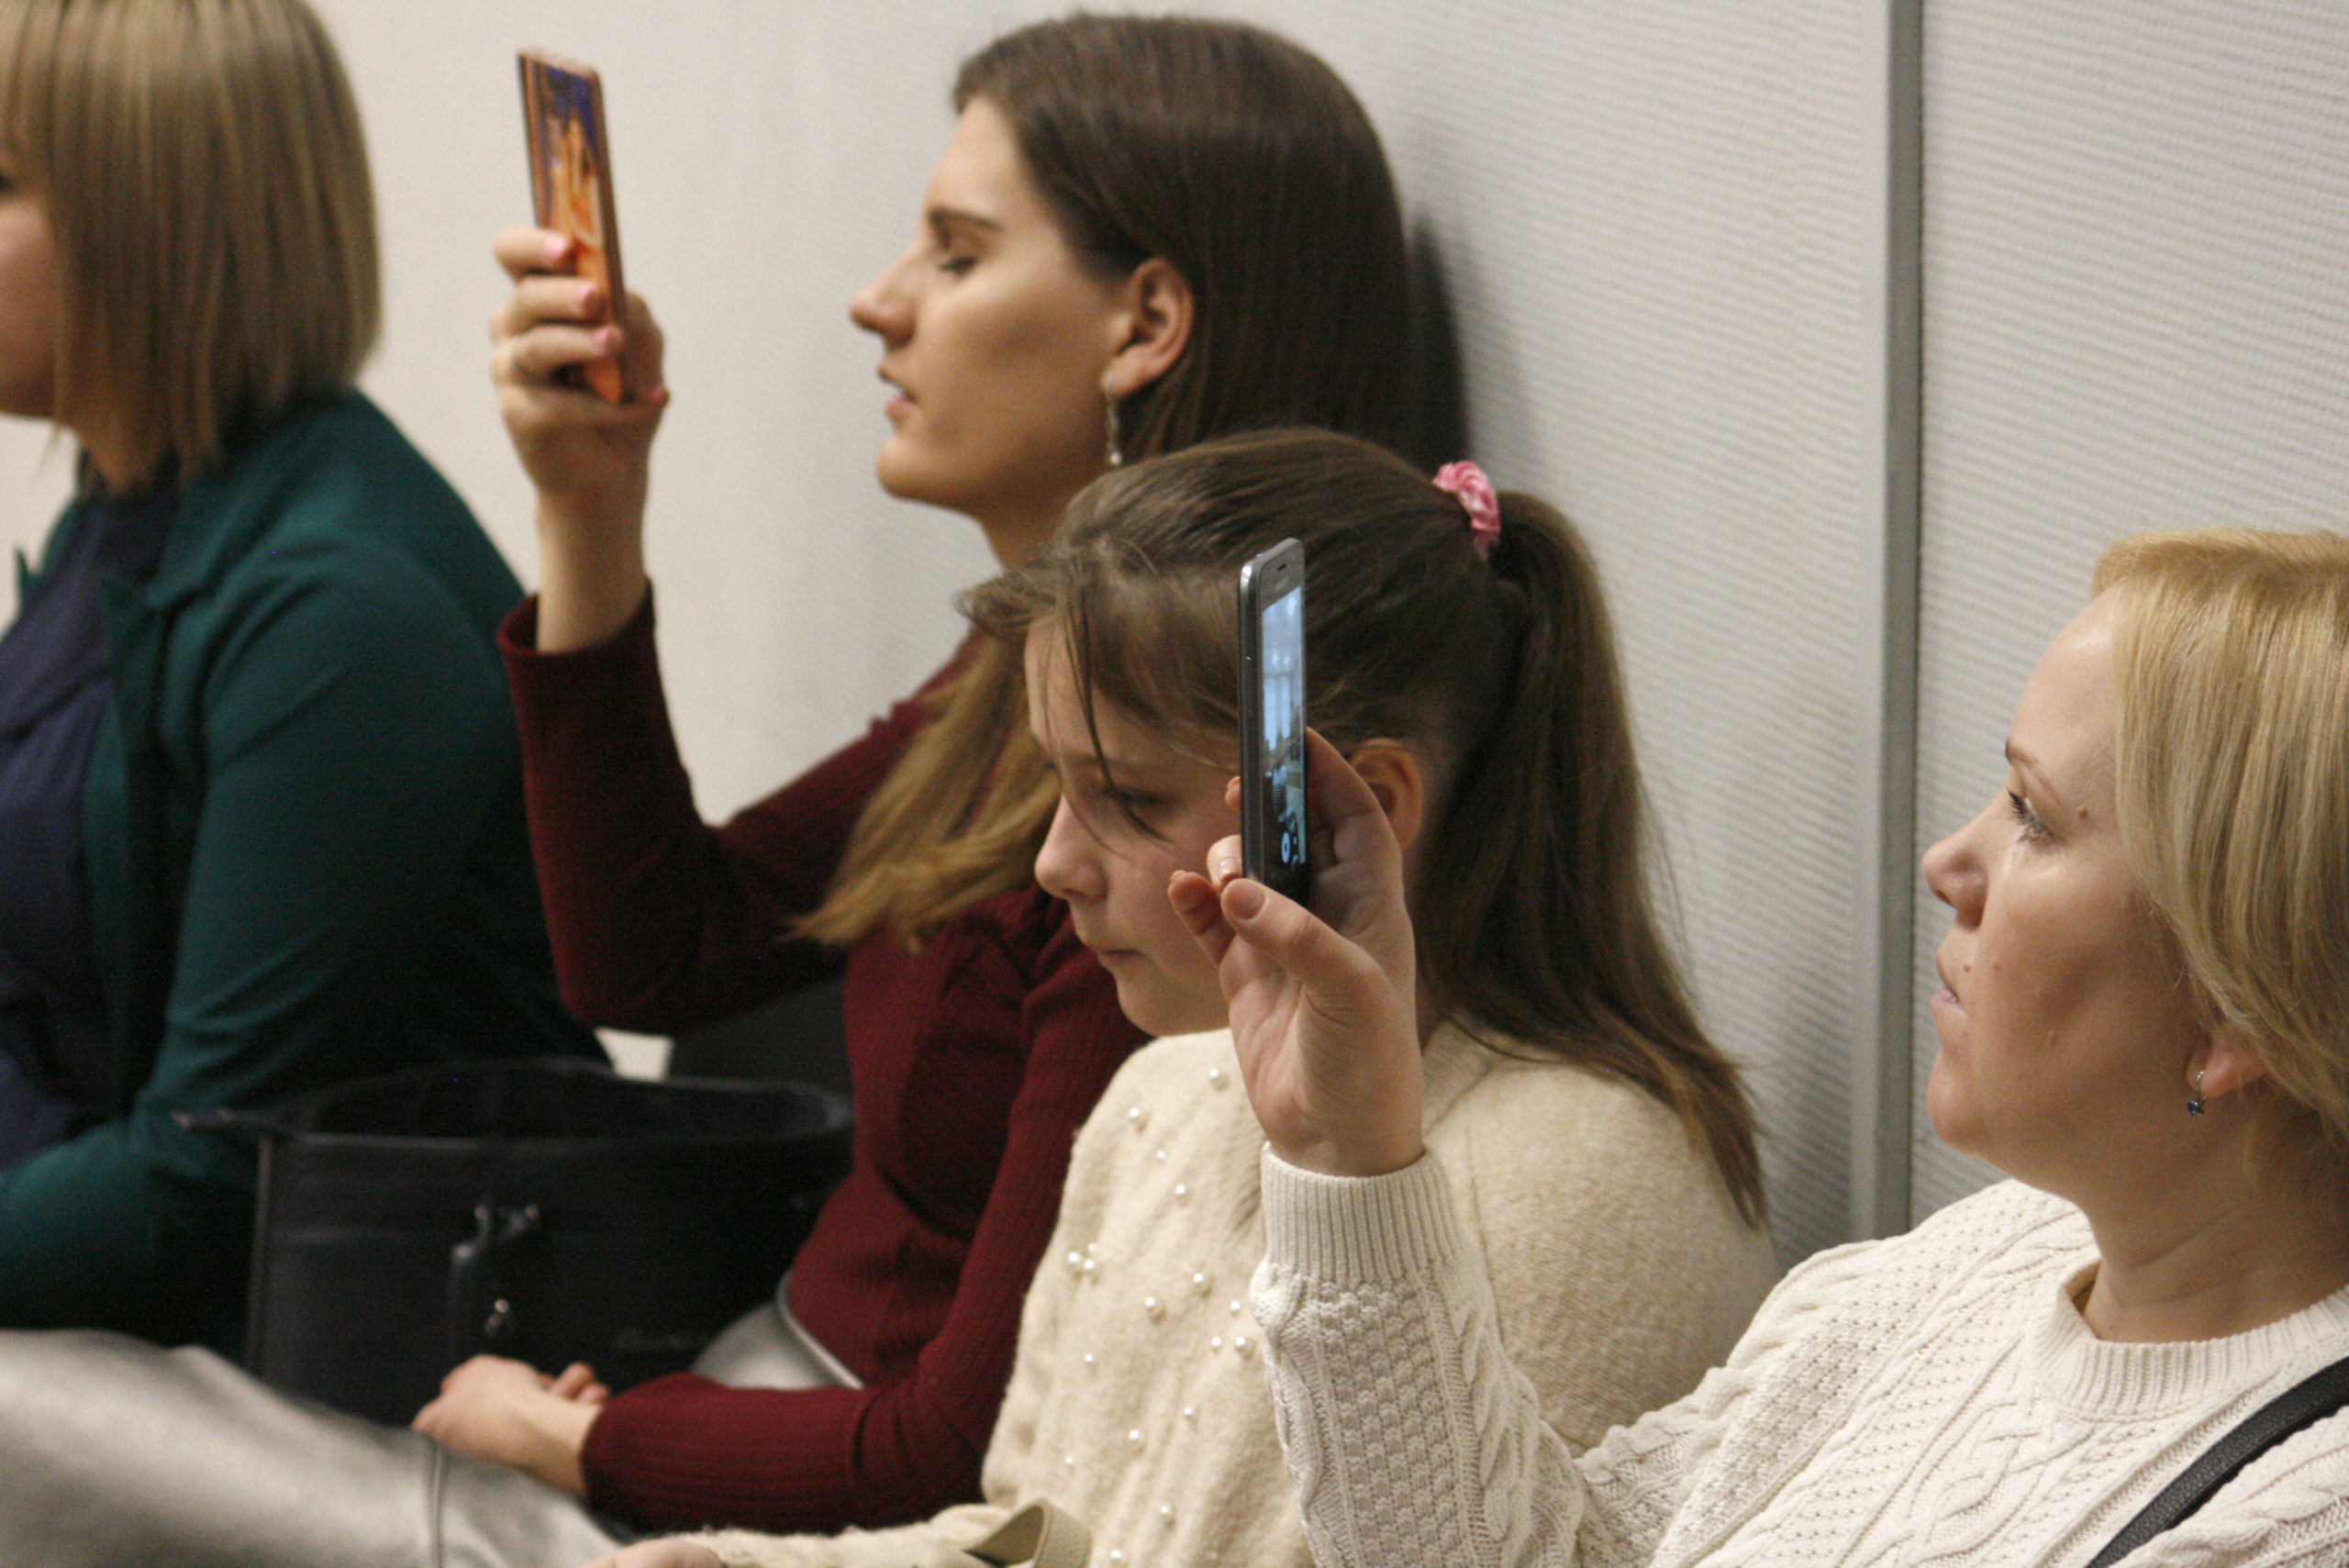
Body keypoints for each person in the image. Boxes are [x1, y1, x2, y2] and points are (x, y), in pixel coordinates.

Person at [0, 17, 1433, 1567]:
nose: (879, 299)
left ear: (1145, 323)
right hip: (706, 1410)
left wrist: (592, 1438)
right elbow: (657, 951)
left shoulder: (1170, 832)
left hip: (766, 1508)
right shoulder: (1010, 693)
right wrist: (591, 512)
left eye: (956, 254)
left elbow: (966, 1445)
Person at [591, 428, 1778, 1568]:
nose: (1053, 862)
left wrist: (1349, 1185)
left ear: (1356, 808)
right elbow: (1035, 1538)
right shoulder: (1159, 1087)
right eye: (1056, 784)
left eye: (1128, 799)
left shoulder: (1587, 1179)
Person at [1226, 527, 2349, 1566]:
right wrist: (1349, 1149)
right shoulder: (1980, 1259)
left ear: (2230, 1017)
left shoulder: (2299, 1519)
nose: (1948, 862)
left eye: (2034, 817)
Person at [0, 0, 592, 1354]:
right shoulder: (131, 502)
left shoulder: (341, 611)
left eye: (0, 183)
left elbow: (203, 1181)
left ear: (151, 221)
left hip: (324, 1362)